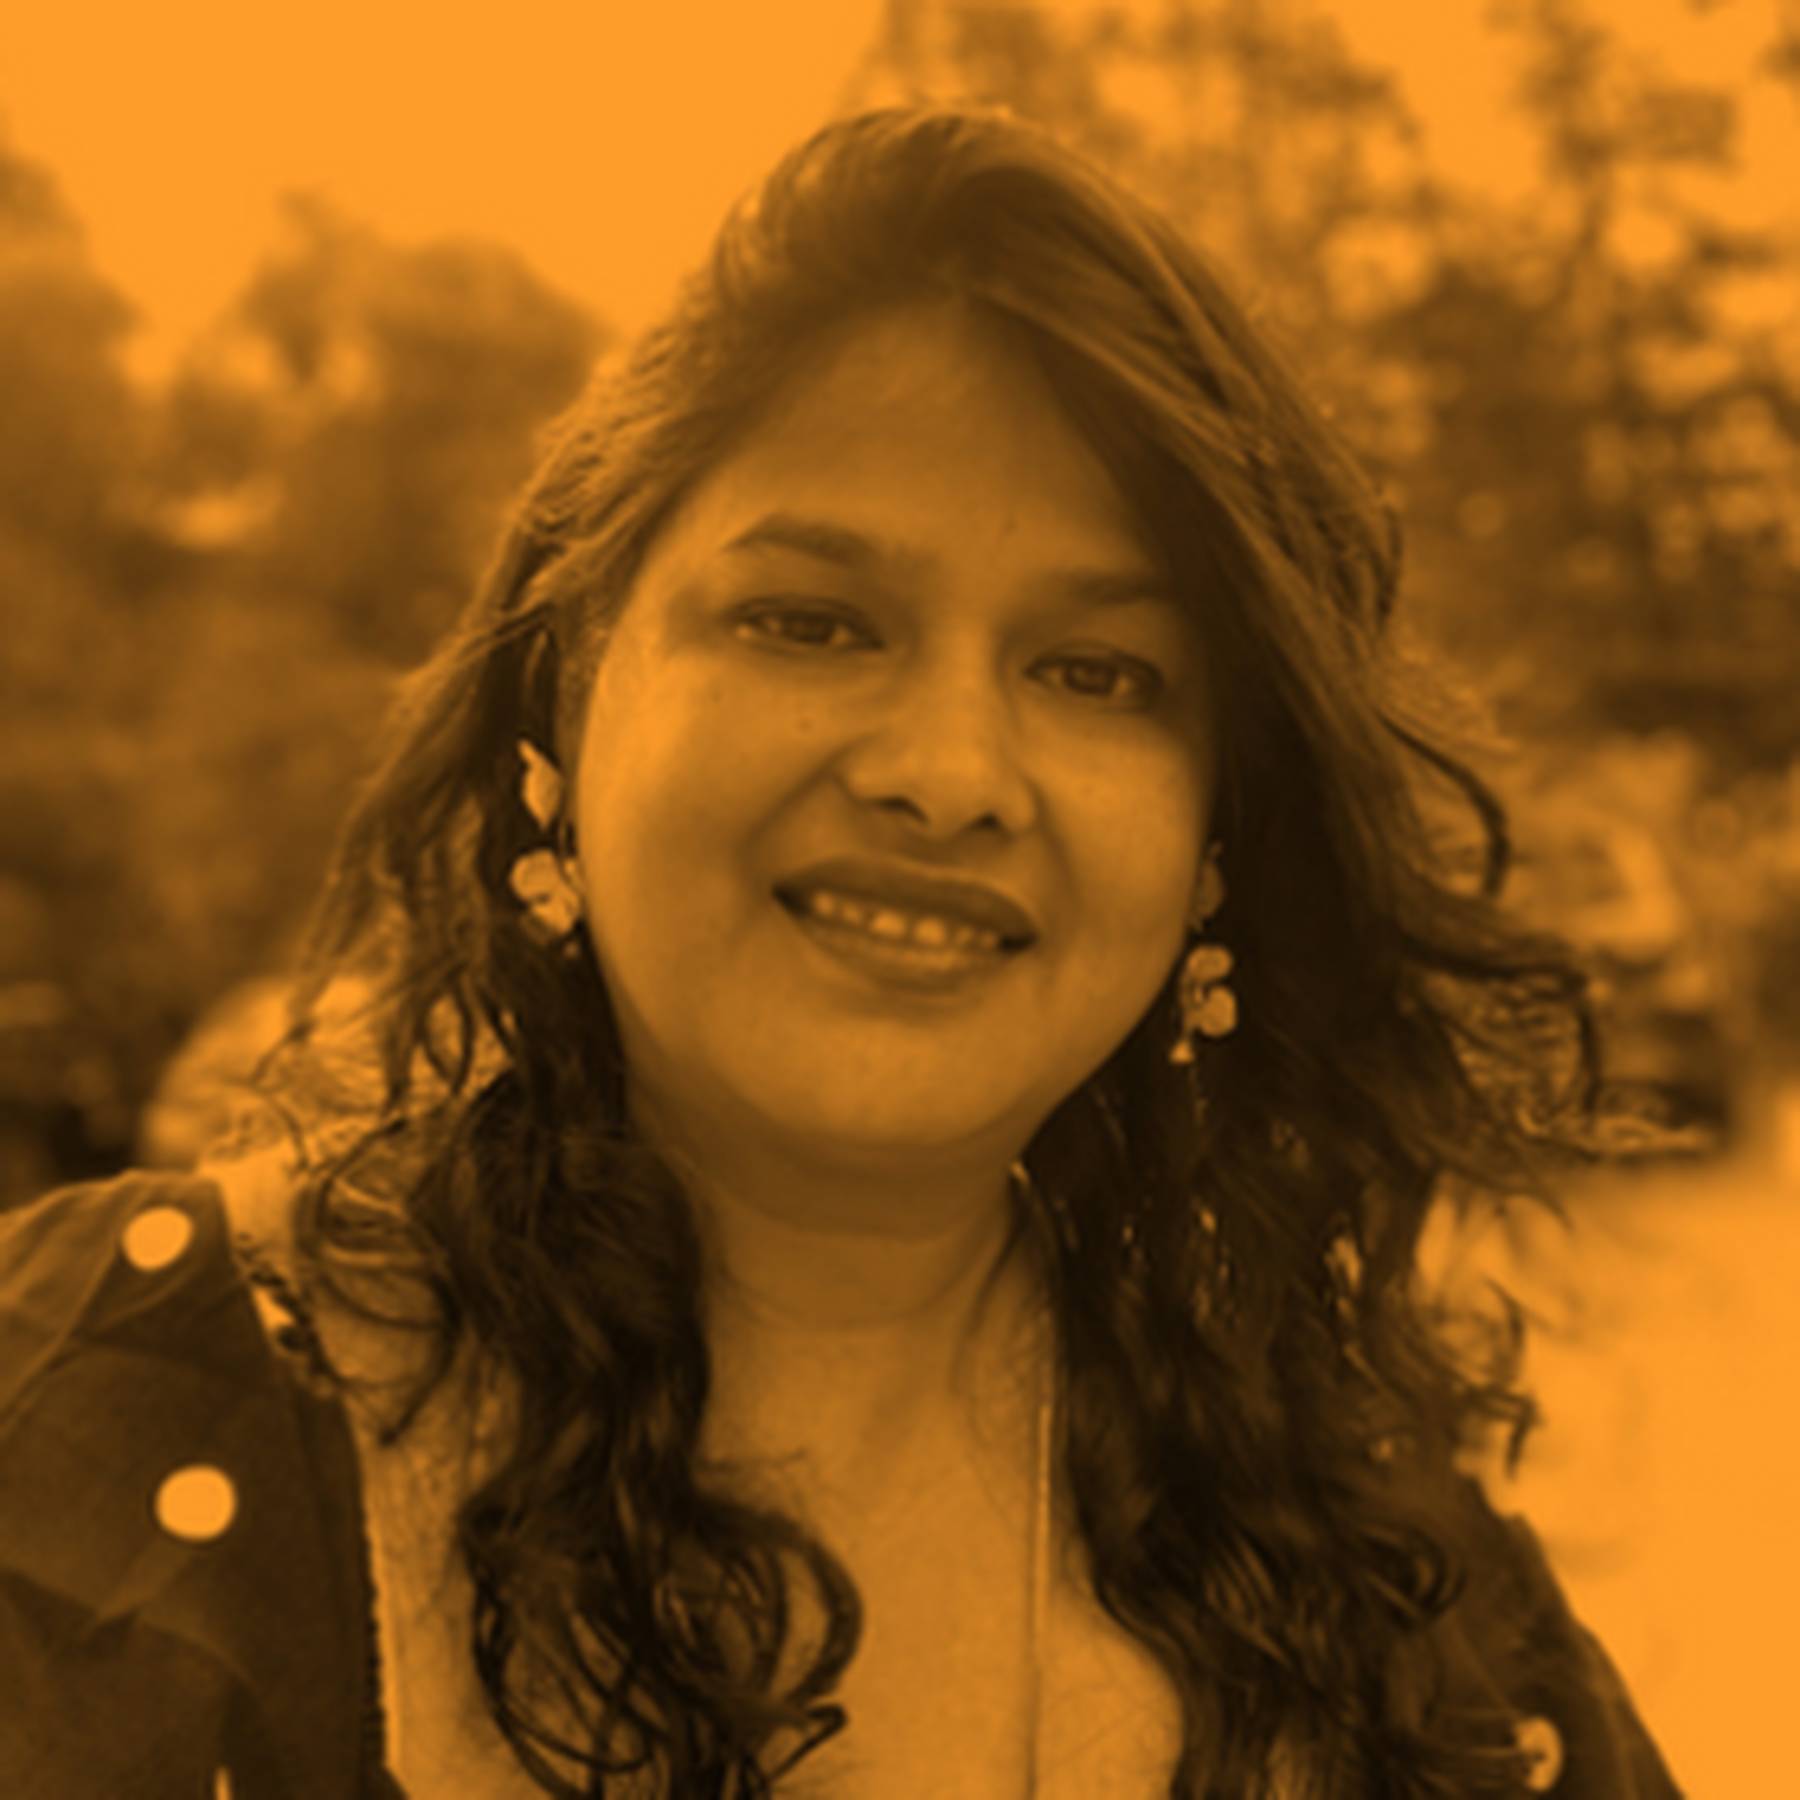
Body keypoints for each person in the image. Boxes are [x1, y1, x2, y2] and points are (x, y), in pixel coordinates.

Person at [0, 105, 1683, 1798]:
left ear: (1214, 846)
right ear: (570, 690)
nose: (947, 775)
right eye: (809, 622)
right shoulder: (84, 1416)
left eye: (1098, 674)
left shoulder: (1409, 1600)